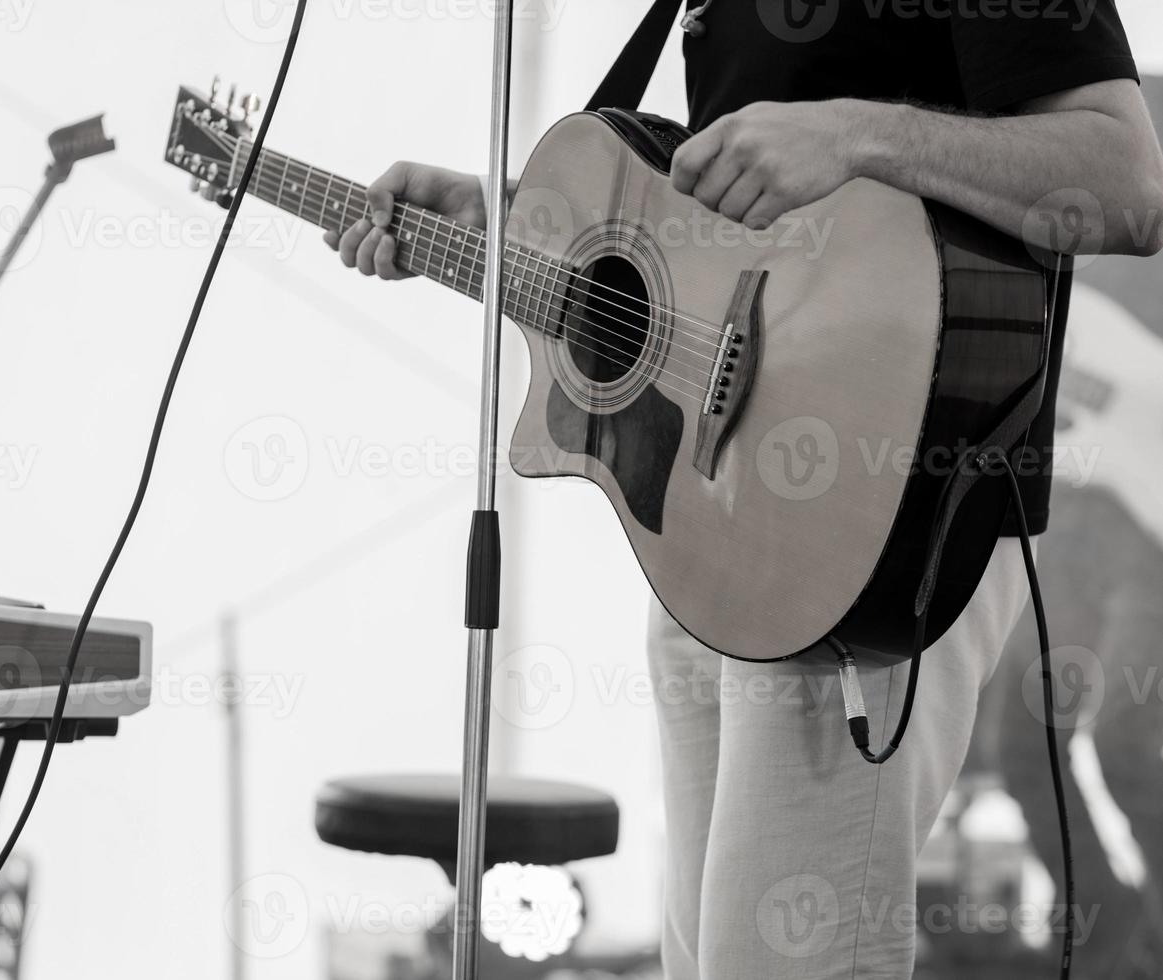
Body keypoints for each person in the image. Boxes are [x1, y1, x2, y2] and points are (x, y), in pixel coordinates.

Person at [326, 3, 1163, 976]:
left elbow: (1125, 179)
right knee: (708, 957)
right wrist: (507, 207)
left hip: (872, 517)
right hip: (710, 519)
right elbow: (714, 228)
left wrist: (851, 133)